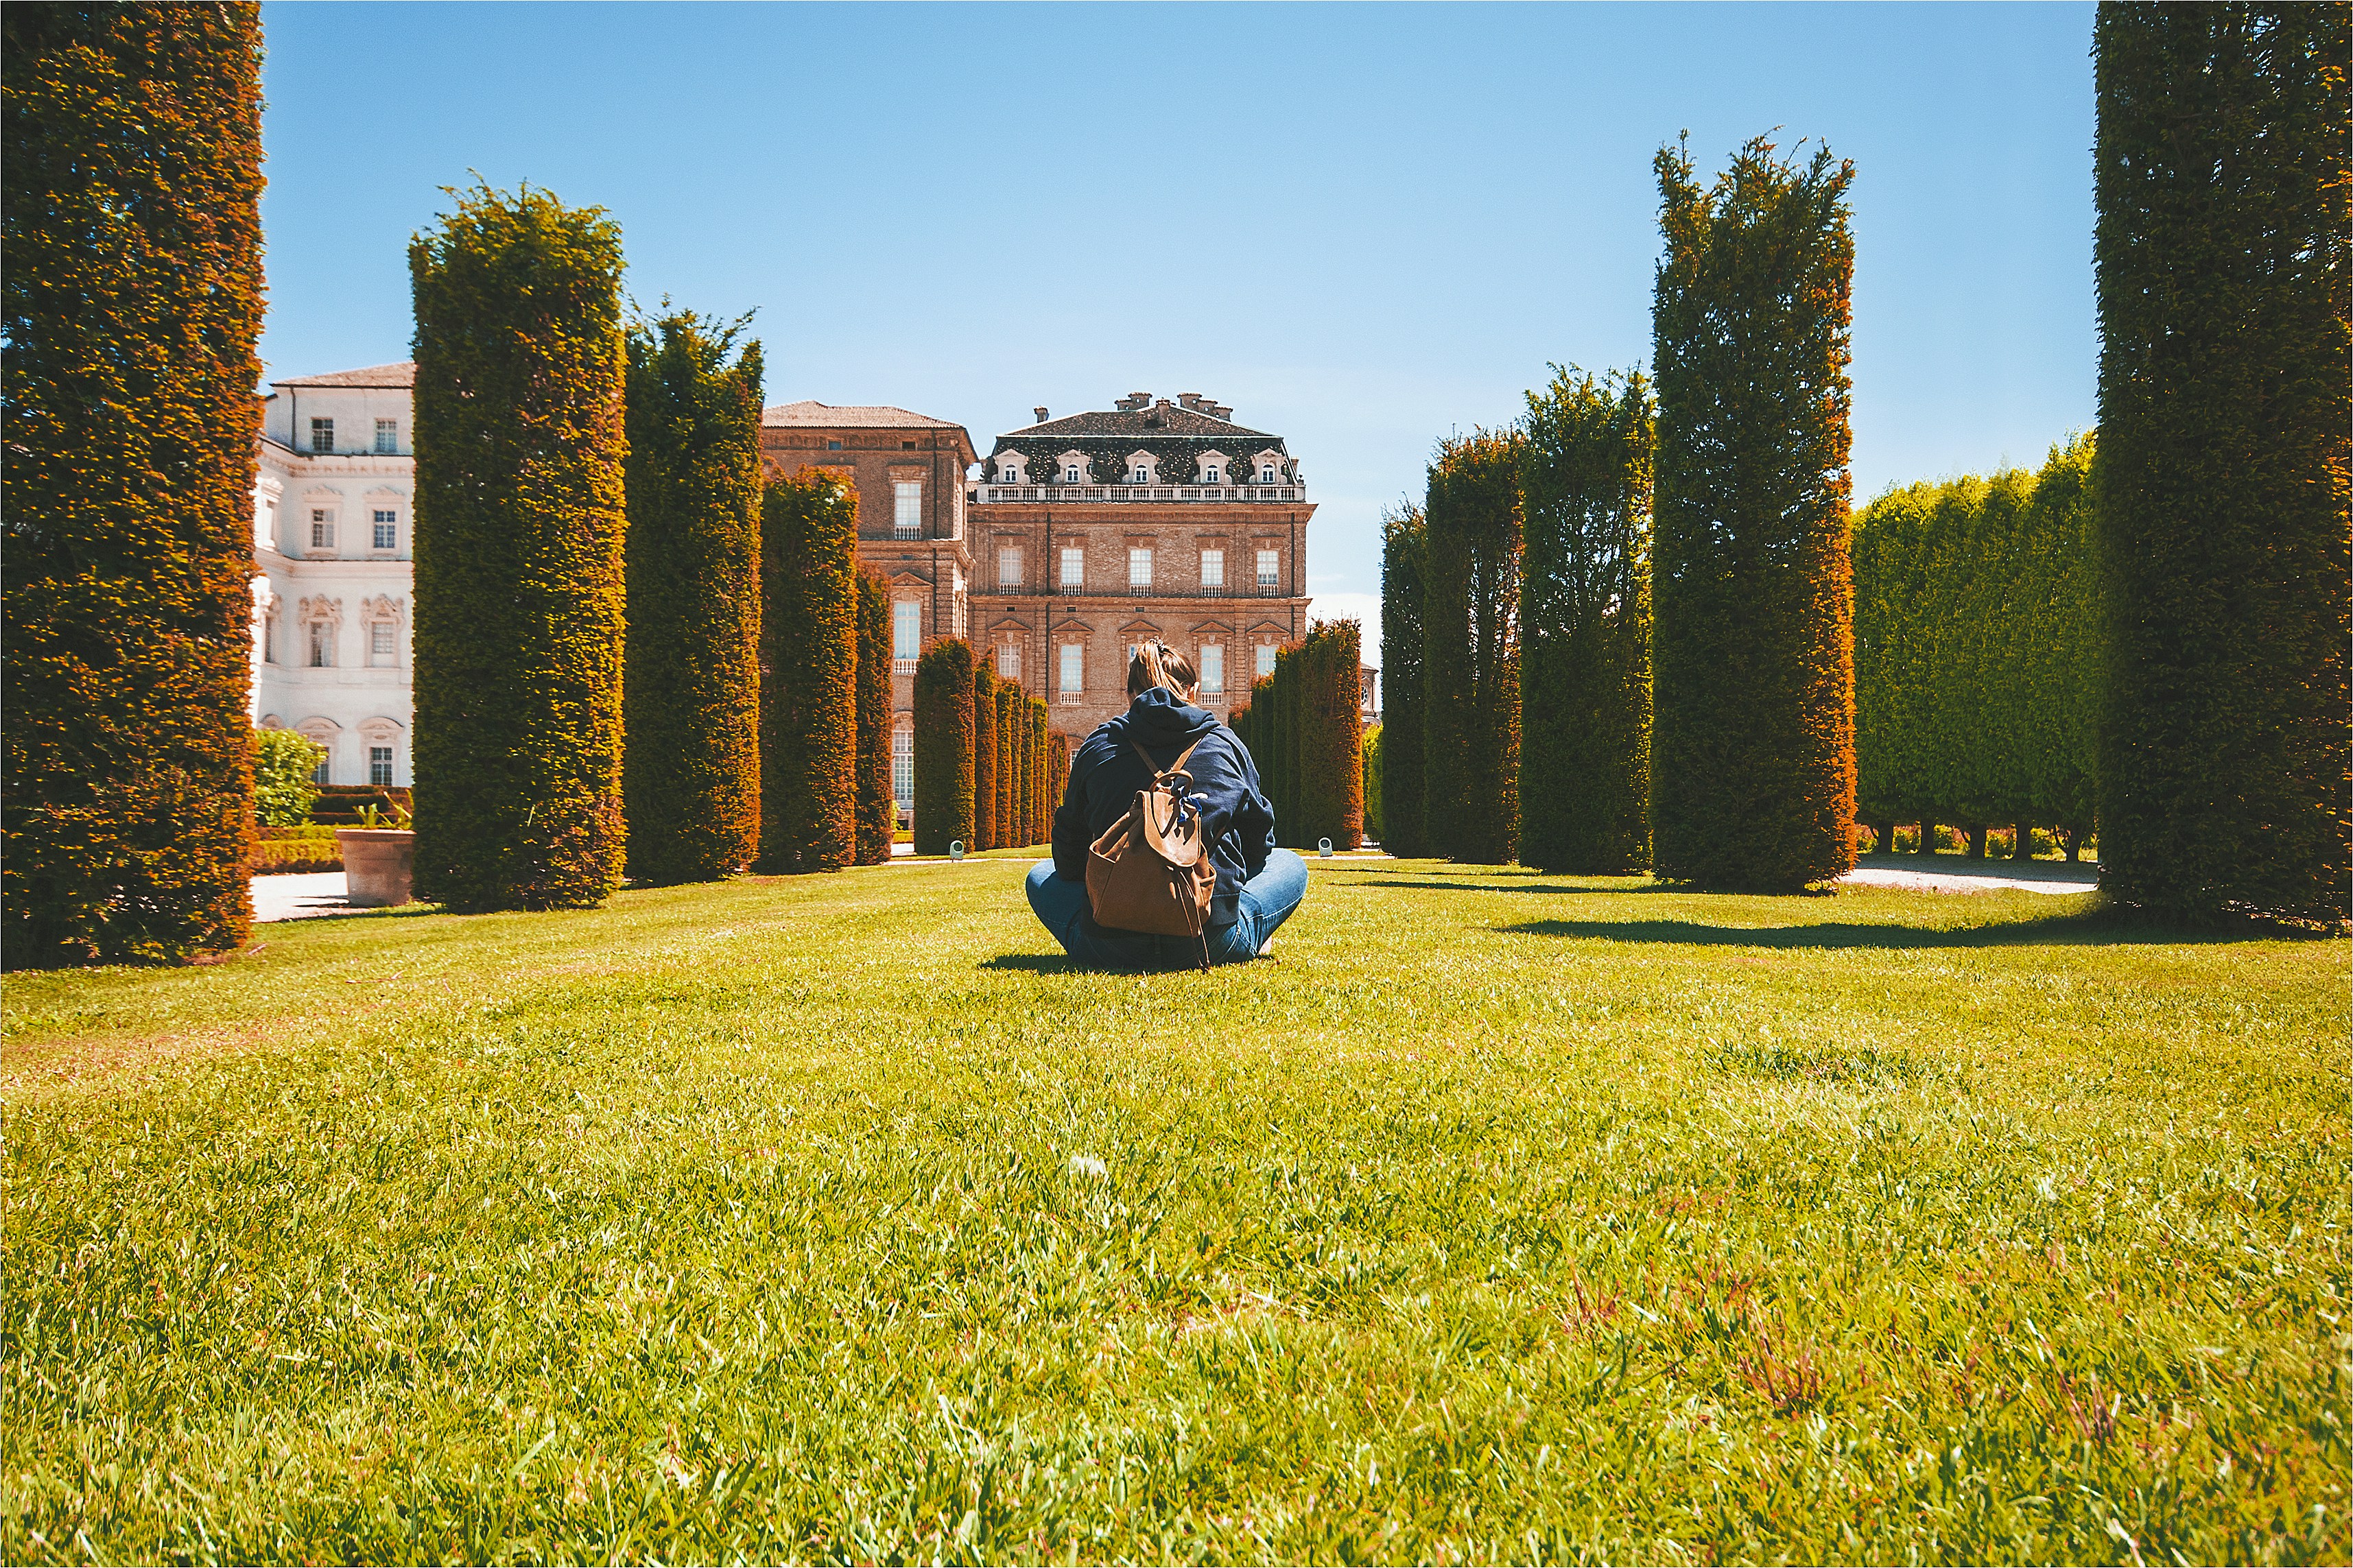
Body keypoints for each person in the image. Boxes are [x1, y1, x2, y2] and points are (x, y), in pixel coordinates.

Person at [1027, 642, 1307, 968]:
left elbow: (1068, 854)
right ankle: (1241, 927)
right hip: (1207, 940)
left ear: (1130, 694)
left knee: (1042, 874)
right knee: (1290, 864)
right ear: (1193, 690)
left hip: (1109, 945)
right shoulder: (1225, 745)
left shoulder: (1099, 746)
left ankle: (1108, 929)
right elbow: (1259, 844)